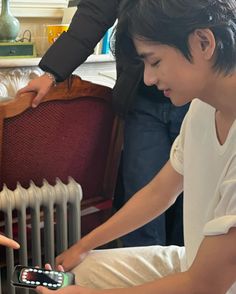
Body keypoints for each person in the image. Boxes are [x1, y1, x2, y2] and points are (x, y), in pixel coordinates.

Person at [36, 0, 236, 293]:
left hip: (210, 281)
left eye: (154, 61)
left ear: (203, 42)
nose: (148, 78)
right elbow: (159, 192)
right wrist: (84, 245)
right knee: (81, 270)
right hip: (191, 263)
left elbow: (204, 284)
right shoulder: (202, 109)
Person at [17, 0, 189, 247]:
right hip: (141, 102)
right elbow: (94, 15)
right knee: (142, 196)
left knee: (195, 201)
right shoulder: (147, 80)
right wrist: (51, 72)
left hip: (198, 100)